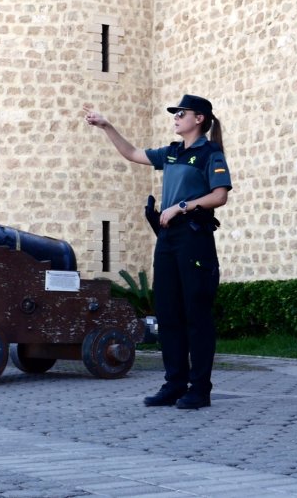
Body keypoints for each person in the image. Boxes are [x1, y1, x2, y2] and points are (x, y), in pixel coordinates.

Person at [83, 95, 231, 410]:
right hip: (168, 238)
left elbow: (219, 196)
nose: (175, 117)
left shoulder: (209, 154)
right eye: (175, 113)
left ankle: (199, 389)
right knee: (168, 313)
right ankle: (174, 384)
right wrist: (107, 126)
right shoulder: (173, 153)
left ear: (199, 119)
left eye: (181, 113)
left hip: (194, 237)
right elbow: (133, 153)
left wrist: (183, 206)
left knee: (196, 315)